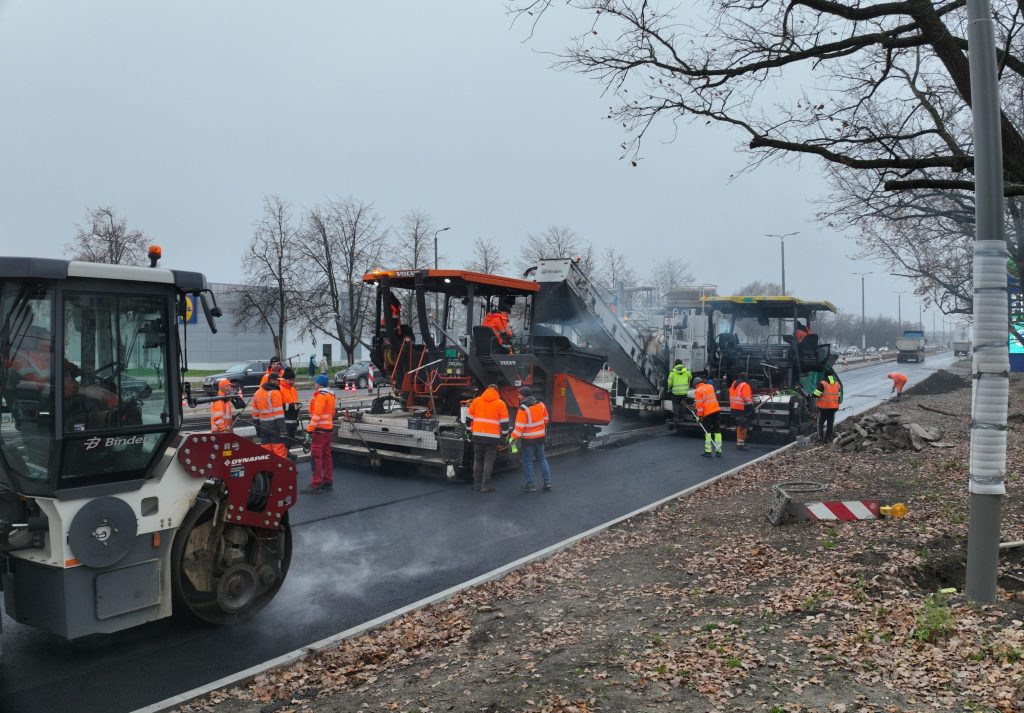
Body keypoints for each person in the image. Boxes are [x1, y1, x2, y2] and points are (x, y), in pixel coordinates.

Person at [466, 383, 510, 492]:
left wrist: (468, 431)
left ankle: (476, 484)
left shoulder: (476, 401)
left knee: (478, 459)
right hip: (492, 438)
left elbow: (468, 418)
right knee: (488, 460)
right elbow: (504, 423)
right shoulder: (500, 403)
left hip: (477, 435)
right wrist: (504, 436)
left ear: (487, 390)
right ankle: (485, 486)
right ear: (497, 392)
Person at [510, 386, 551, 492]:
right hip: (540, 438)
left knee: (527, 461)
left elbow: (519, 427)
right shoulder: (541, 404)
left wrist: (513, 438)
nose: (518, 396)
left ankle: (531, 485)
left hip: (528, 440)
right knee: (542, 459)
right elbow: (546, 420)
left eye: (519, 394)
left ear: (524, 396)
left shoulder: (523, 408)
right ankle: (547, 482)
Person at [303, 374, 336, 494]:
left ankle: (316, 484)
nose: (314, 384)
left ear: (319, 384)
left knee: (316, 458)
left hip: (319, 431)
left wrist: (309, 430)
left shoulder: (320, 396)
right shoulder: (331, 395)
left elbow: (316, 415)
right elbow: (332, 413)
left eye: (315, 382)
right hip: (328, 430)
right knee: (327, 456)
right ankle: (328, 481)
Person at [252, 371, 288, 459]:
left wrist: (258, 429)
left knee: (266, 451)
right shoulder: (275, 393)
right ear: (272, 380)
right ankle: (280, 467)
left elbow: (255, 414)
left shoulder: (257, 393)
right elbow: (279, 414)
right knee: (279, 450)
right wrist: (283, 430)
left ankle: (268, 467)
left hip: (263, 427)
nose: (279, 382)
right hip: (274, 427)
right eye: (278, 380)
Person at [693, 376, 723, 457]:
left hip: (708, 413)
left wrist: (699, 416)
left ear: (696, 384)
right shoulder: (710, 386)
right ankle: (719, 450)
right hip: (716, 410)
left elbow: (700, 406)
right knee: (717, 431)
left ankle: (708, 451)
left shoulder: (697, 391)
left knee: (707, 432)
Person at [812, 370, 842, 443]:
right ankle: (827, 439)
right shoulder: (837, 384)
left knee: (820, 423)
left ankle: (820, 439)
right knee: (830, 424)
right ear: (832, 376)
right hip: (833, 408)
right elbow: (839, 396)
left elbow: (816, 394)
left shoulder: (823, 383)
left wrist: (812, 395)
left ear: (825, 375)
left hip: (823, 408)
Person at [728, 372, 753, 450]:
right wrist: (751, 407)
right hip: (742, 408)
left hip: (734, 407)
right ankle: (741, 443)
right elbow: (746, 398)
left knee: (739, 425)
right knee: (744, 426)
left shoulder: (733, 384)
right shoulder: (745, 385)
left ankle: (739, 443)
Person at [666, 359, 693, 428]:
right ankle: (681, 418)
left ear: (675, 364)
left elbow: (670, 382)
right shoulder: (686, 370)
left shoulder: (672, 372)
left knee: (676, 406)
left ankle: (676, 420)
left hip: (675, 393)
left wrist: (669, 388)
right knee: (683, 405)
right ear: (681, 363)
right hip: (684, 392)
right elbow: (690, 376)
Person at [280, 367, 300, 453]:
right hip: (285, 420)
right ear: (284, 379)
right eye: (290, 380)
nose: (292, 381)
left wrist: (297, 406)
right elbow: (280, 406)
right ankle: (285, 454)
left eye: (293, 380)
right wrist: (292, 406)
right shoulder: (280, 389)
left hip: (293, 419)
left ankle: (287, 452)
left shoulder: (293, 389)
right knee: (286, 439)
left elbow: (296, 403)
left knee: (291, 438)